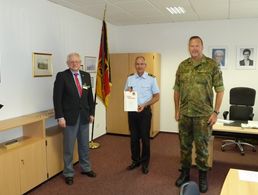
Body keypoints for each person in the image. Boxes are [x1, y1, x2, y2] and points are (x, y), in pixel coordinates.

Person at [173, 36, 224, 193]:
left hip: (203, 116)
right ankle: (186, 173)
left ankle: (202, 177)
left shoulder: (212, 65)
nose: (194, 48)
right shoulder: (182, 66)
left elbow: (220, 90)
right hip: (185, 114)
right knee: (185, 146)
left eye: (197, 45)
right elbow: (176, 90)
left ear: (202, 47)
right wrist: (177, 109)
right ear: (188, 47)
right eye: (191, 46)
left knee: (202, 148)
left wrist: (215, 112)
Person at [53, 52, 96, 185]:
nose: (74, 64)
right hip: (69, 118)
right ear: (68, 63)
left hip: (84, 116)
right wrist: (60, 116)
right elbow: (57, 98)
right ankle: (68, 172)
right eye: (72, 62)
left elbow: (90, 97)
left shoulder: (86, 76)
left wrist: (92, 113)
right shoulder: (62, 76)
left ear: (80, 62)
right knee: (69, 147)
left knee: (84, 145)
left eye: (77, 61)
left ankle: (86, 168)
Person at [124, 56, 160, 174]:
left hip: (145, 112)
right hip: (132, 112)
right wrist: (129, 95)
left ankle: (145, 163)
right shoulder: (130, 78)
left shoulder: (151, 79)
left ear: (145, 65)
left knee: (145, 139)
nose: (139, 66)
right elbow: (126, 93)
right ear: (135, 65)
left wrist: (144, 105)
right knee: (133, 138)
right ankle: (135, 161)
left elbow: (156, 96)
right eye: (137, 64)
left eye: (141, 64)